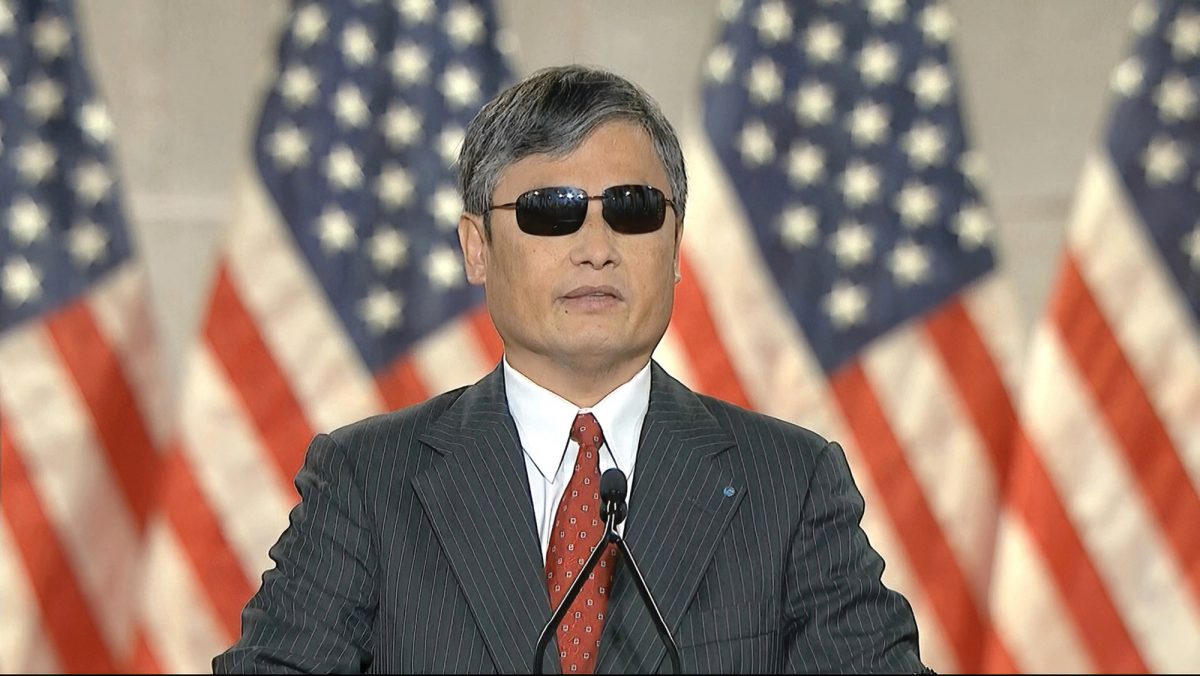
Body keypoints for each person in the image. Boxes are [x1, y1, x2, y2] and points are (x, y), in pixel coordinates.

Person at [214, 65, 928, 674]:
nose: (596, 246)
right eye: (550, 212)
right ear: (476, 248)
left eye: (633, 209)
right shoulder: (367, 482)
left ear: (676, 243)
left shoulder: (791, 483)